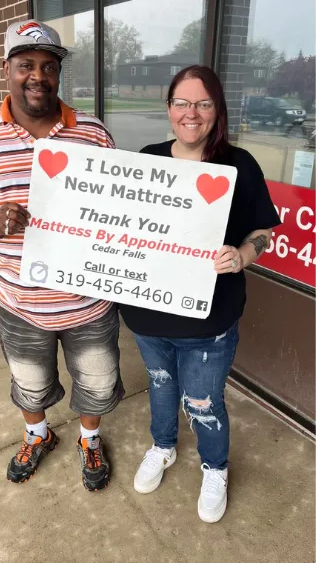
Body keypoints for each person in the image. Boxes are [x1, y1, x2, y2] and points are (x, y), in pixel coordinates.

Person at [0, 20, 123, 492]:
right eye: (25, 65)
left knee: (97, 385)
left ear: (58, 74)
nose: (37, 75)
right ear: (7, 70)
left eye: (48, 66)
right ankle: (37, 434)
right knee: (31, 384)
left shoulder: (93, 134)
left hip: (88, 299)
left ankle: (89, 439)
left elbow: (121, 206)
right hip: (20, 300)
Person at [121, 65, 281, 523]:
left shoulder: (239, 163)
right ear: (169, 108)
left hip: (209, 320)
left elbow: (263, 231)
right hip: (148, 316)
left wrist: (243, 255)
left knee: (204, 401)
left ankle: (215, 467)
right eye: (182, 103)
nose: (192, 113)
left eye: (203, 103)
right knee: (160, 387)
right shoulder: (148, 158)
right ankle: (163, 446)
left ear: (217, 110)